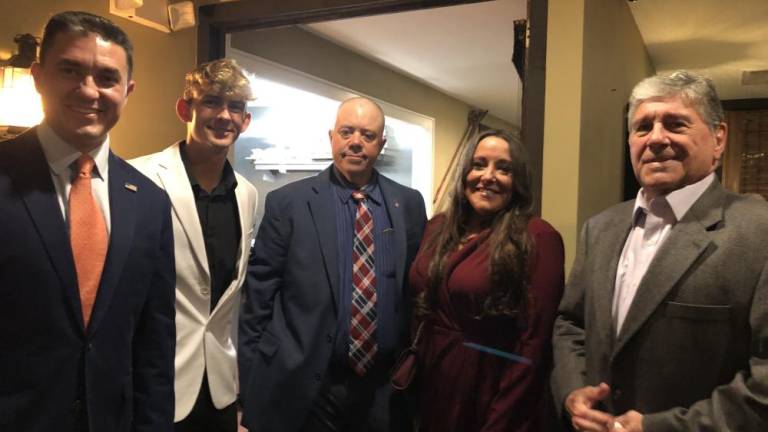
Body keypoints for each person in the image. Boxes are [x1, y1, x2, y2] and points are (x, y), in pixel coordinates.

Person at [551, 70, 768, 432]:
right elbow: (570, 323)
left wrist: (661, 427)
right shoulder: (600, 228)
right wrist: (573, 390)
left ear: (719, 138)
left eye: (676, 124)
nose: (655, 138)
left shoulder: (758, 231)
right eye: (642, 127)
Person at [0, 10, 175, 432]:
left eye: (107, 78)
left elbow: (153, 344)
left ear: (128, 90)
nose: (88, 90)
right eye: (70, 70)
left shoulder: (149, 201)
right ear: (39, 76)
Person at [238, 96, 427, 431]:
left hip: (382, 388)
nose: (356, 142)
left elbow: (414, 292)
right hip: (306, 382)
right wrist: (251, 382)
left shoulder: (408, 204)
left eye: (367, 135)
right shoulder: (289, 204)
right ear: (332, 137)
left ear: (381, 144)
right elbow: (259, 298)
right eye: (347, 132)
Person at [130, 58, 258, 432]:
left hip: (219, 390)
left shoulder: (247, 195)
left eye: (235, 107)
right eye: (212, 102)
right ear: (184, 108)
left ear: (245, 122)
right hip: (155, 383)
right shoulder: (139, 178)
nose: (224, 116)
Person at [409, 129, 565, 431]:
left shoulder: (538, 237)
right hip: (431, 383)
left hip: (491, 389)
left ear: (517, 180)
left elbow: (533, 343)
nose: (488, 176)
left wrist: (502, 417)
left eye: (503, 168)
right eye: (479, 164)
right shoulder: (437, 228)